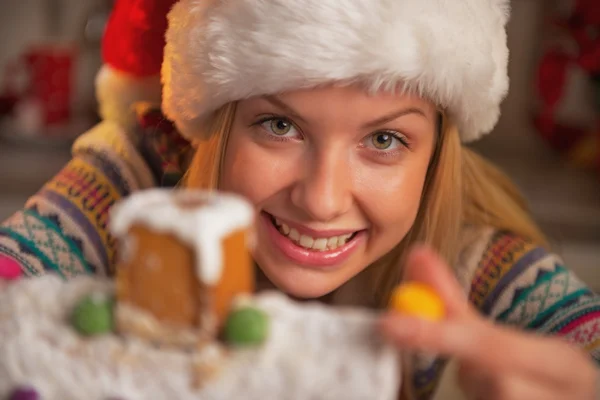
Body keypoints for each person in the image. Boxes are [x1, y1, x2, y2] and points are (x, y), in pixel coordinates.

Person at [1, 0, 599, 398]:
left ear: (438, 153)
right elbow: (16, 270)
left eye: (385, 139)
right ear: (218, 123)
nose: (321, 200)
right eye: (279, 127)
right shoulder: (146, 171)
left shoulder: (470, 252)